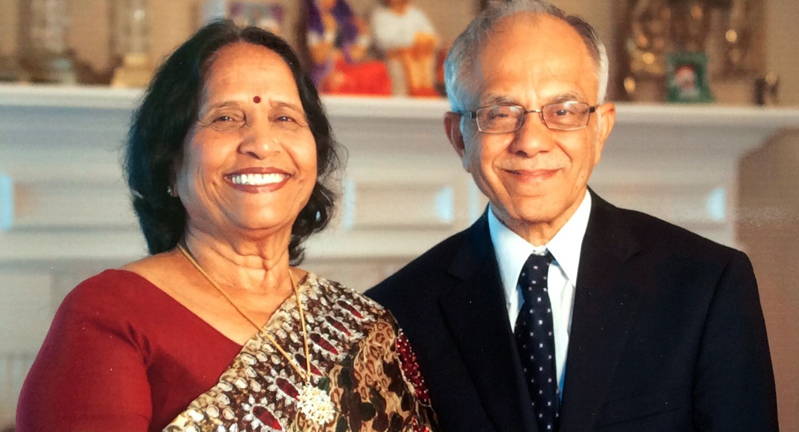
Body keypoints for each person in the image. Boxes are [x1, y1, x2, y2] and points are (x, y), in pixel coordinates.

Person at [367, 1, 778, 432]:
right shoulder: (395, 315)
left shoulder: (708, 285)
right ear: (459, 138)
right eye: (501, 113)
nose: (531, 141)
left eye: (562, 111)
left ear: (600, 129)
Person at [17, 21, 436, 432]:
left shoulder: (364, 324)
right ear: (170, 162)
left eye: (285, 118)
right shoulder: (110, 314)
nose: (261, 143)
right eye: (225, 118)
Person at [305, 0, 392, 96]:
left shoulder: (343, 21)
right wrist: (329, 34)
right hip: (327, 73)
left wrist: (364, 36)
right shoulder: (313, 26)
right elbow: (319, 58)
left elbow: (354, 56)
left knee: (380, 69)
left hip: (347, 69)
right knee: (338, 81)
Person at [371, 0, 439, 97]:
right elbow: (383, 41)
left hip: (418, 59)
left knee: (427, 58)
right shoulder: (380, 15)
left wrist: (417, 42)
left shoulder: (416, 14)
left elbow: (431, 36)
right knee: (397, 65)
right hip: (392, 59)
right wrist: (412, 41)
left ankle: (423, 95)